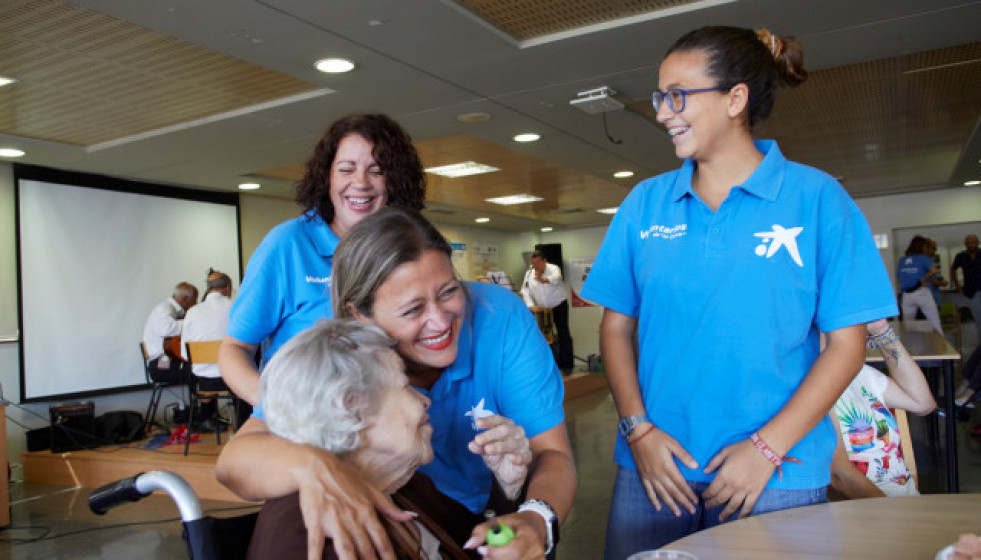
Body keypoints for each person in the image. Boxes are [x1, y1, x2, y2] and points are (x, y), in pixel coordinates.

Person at [579, 26, 897, 558]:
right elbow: (615, 327)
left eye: (677, 95)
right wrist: (637, 430)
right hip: (657, 465)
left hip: (778, 471)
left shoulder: (818, 199)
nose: (662, 112)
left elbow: (847, 346)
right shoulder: (645, 204)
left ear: (736, 98)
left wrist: (766, 450)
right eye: (660, 96)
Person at [217, 208, 576, 560]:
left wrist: (525, 510)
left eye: (449, 291)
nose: (439, 321)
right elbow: (235, 461)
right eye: (412, 310)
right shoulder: (343, 360)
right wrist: (316, 465)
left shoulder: (500, 319)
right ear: (358, 316)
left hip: (454, 512)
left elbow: (547, 459)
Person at [247, 318, 524, 560]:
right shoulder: (306, 533)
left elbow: (473, 547)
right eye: (405, 386)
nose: (425, 400)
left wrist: (507, 486)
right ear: (353, 409)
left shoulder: (404, 486)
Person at [219, 113, 427, 406]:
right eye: (346, 169)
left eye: (377, 171)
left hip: (384, 426)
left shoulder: (406, 248)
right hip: (303, 429)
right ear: (327, 177)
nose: (361, 182)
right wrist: (275, 409)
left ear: (394, 182)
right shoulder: (289, 244)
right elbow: (234, 348)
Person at [829, 319, 936, 499]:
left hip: (908, 504)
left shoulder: (860, 373)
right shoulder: (810, 383)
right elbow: (838, 476)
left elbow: (923, 403)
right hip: (869, 514)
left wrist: (881, 330)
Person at [181, 269, 235, 431]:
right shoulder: (235, 307)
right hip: (232, 378)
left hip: (203, 380)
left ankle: (207, 419)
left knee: (204, 372)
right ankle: (243, 422)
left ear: (209, 289)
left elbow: (185, 353)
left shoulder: (192, 312)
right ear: (227, 288)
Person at [520, 250, 574, 375]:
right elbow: (525, 291)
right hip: (543, 309)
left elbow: (557, 279)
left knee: (563, 333)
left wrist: (542, 279)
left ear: (544, 261)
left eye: (538, 263)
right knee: (545, 337)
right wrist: (530, 305)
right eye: (533, 264)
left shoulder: (554, 268)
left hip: (559, 305)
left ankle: (567, 365)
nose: (535, 266)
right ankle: (547, 366)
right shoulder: (529, 273)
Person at [142, 281, 198, 384]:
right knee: (199, 371)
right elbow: (166, 329)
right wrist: (191, 322)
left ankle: (200, 398)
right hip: (161, 364)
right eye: (195, 300)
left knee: (198, 367)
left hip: (166, 360)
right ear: (185, 299)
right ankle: (204, 398)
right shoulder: (164, 309)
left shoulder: (173, 311)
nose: (196, 304)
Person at [897, 236, 943, 333]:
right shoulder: (923, 258)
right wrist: (923, 278)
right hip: (921, 292)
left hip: (907, 295)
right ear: (923, 247)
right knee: (935, 323)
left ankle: (909, 346)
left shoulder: (902, 260)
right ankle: (942, 346)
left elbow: (899, 278)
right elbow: (934, 270)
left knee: (908, 326)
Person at [950, 234, 981, 328]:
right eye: (968, 243)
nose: (970, 245)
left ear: (978, 243)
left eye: (973, 242)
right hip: (971, 290)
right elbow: (953, 269)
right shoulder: (961, 256)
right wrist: (957, 285)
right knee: (978, 319)